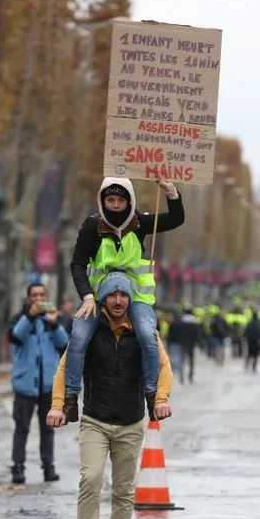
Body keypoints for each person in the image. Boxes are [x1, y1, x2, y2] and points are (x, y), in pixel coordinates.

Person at [46, 272, 173, 519]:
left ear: (130, 298)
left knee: (123, 490)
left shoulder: (144, 334)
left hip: (130, 422)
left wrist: (161, 399)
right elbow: (65, 369)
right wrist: (57, 406)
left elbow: (164, 368)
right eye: (112, 295)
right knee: (90, 480)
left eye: (124, 295)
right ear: (103, 298)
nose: (118, 301)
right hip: (95, 420)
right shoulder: (89, 332)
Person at [65, 176, 184, 422]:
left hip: (136, 296)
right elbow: (77, 264)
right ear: (102, 201)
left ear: (129, 202)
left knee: (147, 335)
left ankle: (151, 394)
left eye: (121, 200)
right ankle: (70, 398)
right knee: (77, 338)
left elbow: (175, 219)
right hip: (98, 297)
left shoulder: (140, 223)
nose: (116, 205)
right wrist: (87, 296)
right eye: (111, 199)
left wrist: (171, 191)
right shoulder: (91, 227)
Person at [8, 284, 69, 484]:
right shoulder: (20, 319)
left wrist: (54, 324)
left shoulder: (53, 319)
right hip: (25, 384)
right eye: (34, 295)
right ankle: (17, 467)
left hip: (48, 385)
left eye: (42, 295)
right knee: (21, 428)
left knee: (48, 428)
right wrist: (31, 316)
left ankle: (48, 466)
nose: (39, 299)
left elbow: (64, 344)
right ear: (28, 299)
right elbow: (16, 336)